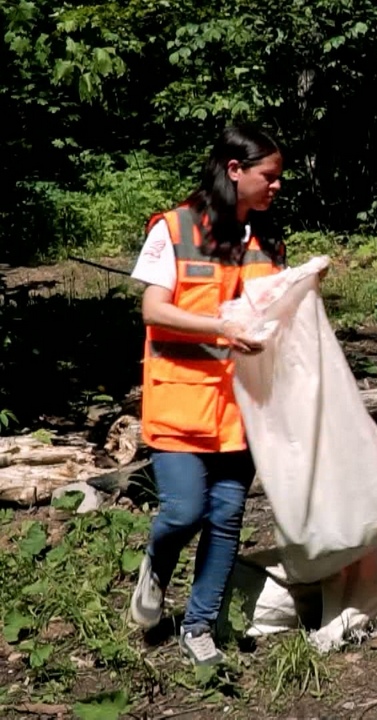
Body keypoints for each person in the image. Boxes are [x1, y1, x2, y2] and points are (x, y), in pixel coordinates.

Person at [127, 125, 289, 666]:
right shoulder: (173, 229)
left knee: (226, 516)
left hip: (242, 410)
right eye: (270, 176)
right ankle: (155, 563)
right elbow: (154, 310)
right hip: (180, 403)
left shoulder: (267, 240)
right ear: (235, 170)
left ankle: (199, 626)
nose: (277, 186)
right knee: (183, 510)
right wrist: (220, 329)